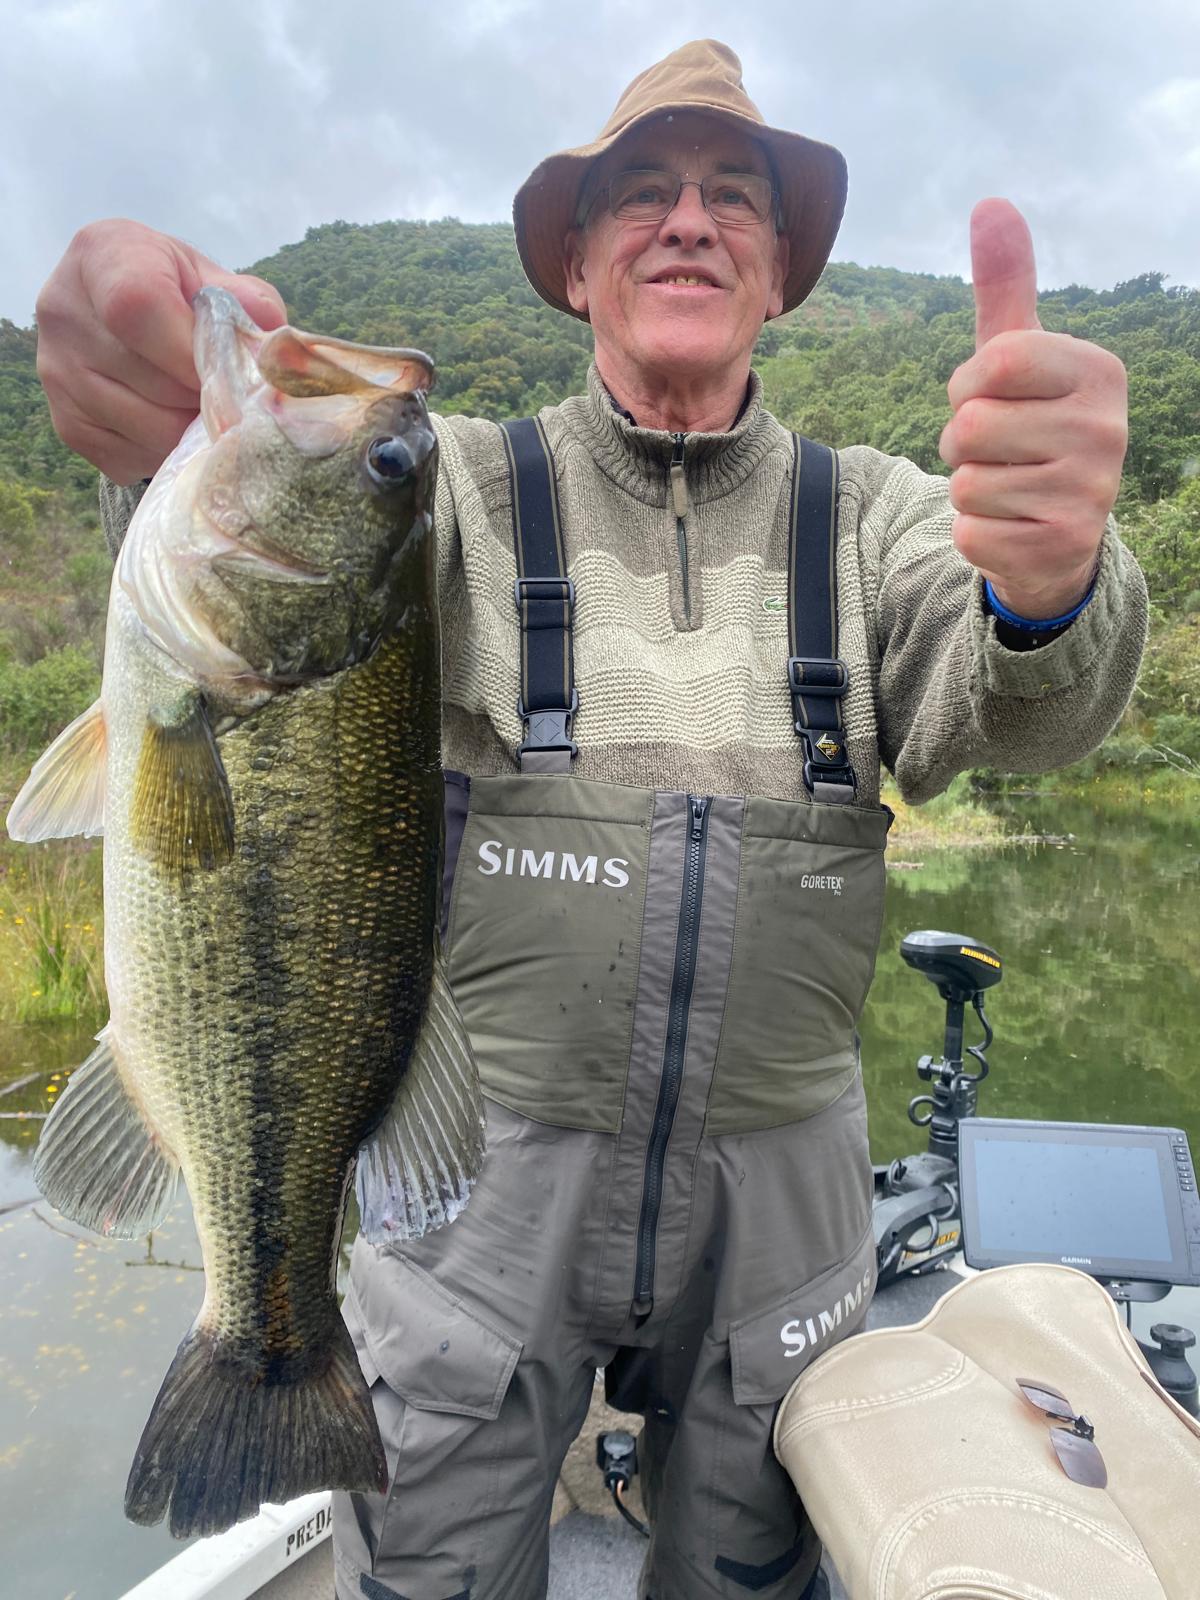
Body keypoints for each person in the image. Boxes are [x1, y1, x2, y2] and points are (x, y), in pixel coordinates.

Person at [35, 38, 1146, 1600]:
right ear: (572, 262)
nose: (688, 220)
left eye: (732, 196)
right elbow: (225, 576)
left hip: (783, 1212)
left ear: (780, 270)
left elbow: (1024, 705)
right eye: (641, 192)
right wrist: (130, 374)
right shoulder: (457, 495)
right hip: (478, 1194)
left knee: (758, 1562)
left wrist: (1052, 581)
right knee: (430, 1565)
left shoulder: (887, 515)